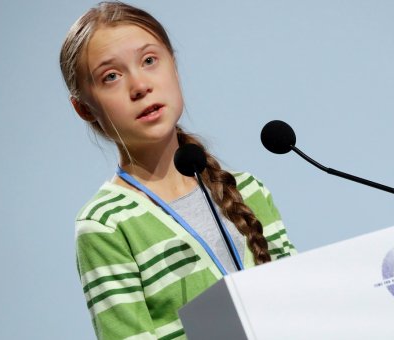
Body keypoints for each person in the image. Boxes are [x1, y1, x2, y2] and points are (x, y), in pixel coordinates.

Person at [59, 2, 297, 339]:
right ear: (84, 108)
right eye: (111, 76)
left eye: (149, 61)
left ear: (174, 66)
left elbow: (303, 308)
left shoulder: (250, 191)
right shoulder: (104, 223)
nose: (139, 85)